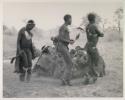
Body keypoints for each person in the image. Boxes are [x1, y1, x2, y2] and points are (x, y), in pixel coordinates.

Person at [56, 14, 75, 86]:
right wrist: (69, 41)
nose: (71, 21)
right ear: (67, 19)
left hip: (63, 46)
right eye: (71, 19)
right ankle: (65, 80)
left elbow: (63, 37)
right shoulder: (63, 27)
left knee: (69, 64)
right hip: (62, 46)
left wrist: (70, 40)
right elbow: (60, 38)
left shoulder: (65, 27)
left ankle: (65, 80)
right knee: (70, 63)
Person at [85, 13, 104, 80]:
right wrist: (98, 34)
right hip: (93, 46)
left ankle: (89, 75)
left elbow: (91, 35)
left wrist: (95, 35)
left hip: (87, 45)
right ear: (93, 19)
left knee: (90, 62)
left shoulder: (87, 26)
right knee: (97, 60)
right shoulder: (94, 26)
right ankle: (95, 74)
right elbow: (101, 34)